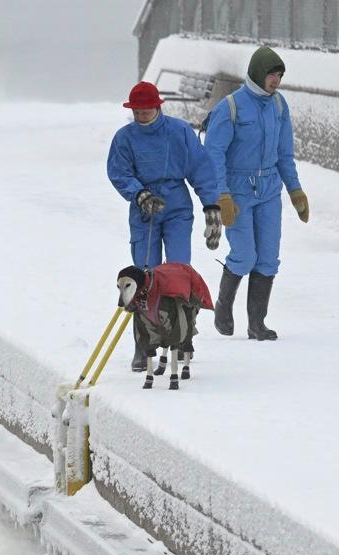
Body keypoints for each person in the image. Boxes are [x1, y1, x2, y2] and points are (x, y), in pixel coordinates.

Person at [108, 81, 222, 372]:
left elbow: (200, 166)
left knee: (179, 272)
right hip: (144, 209)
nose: (142, 115)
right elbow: (119, 173)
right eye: (137, 111)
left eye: (146, 110)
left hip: (176, 206)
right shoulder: (124, 139)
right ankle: (142, 343)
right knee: (144, 275)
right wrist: (140, 194)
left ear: (158, 106)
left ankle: (183, 338)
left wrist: (211, 205)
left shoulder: (179, 132)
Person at [204, 46, 309, 341]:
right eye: (271, 74)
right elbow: (214, 155)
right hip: (237, 192)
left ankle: (257, 325)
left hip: (269, 190)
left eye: (278, 75)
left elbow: (285, 154)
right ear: (257, 73)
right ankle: (223, 308)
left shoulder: (279, 106)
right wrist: (221, 195)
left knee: (268, 258)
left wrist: (296, 190)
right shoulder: (231, 107)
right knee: (244, 254)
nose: (275, 80)